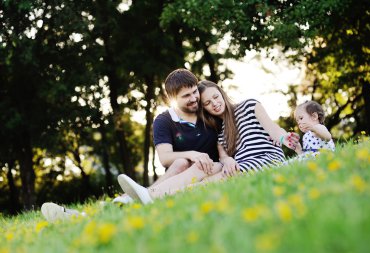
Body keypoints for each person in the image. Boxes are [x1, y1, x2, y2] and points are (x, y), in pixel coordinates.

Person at [40, 69, 224, 221]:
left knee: (184, 164)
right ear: (173, 98)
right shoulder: (164, 120)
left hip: (208, 169)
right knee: (180, 162)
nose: (194, 98)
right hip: (181, 171)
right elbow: (165, 157)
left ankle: (91, 213)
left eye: (194, 92)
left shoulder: (207, 109)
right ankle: (87, 214)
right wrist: (192, 153)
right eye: (186, 96)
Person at [116, 79, 300, 204]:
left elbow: (273, 129)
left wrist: (284, 138)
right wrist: (227, 160)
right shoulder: (218, 128)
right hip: (239, 164)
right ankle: (148, 195)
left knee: (213, 180)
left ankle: (152, 196)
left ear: (222, 93)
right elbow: (223, 156)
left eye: (215, 97)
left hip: (265, 159)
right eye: (207, 103)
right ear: (204, 108)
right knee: (203, 167)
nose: (214, 103)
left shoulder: (249, 105)